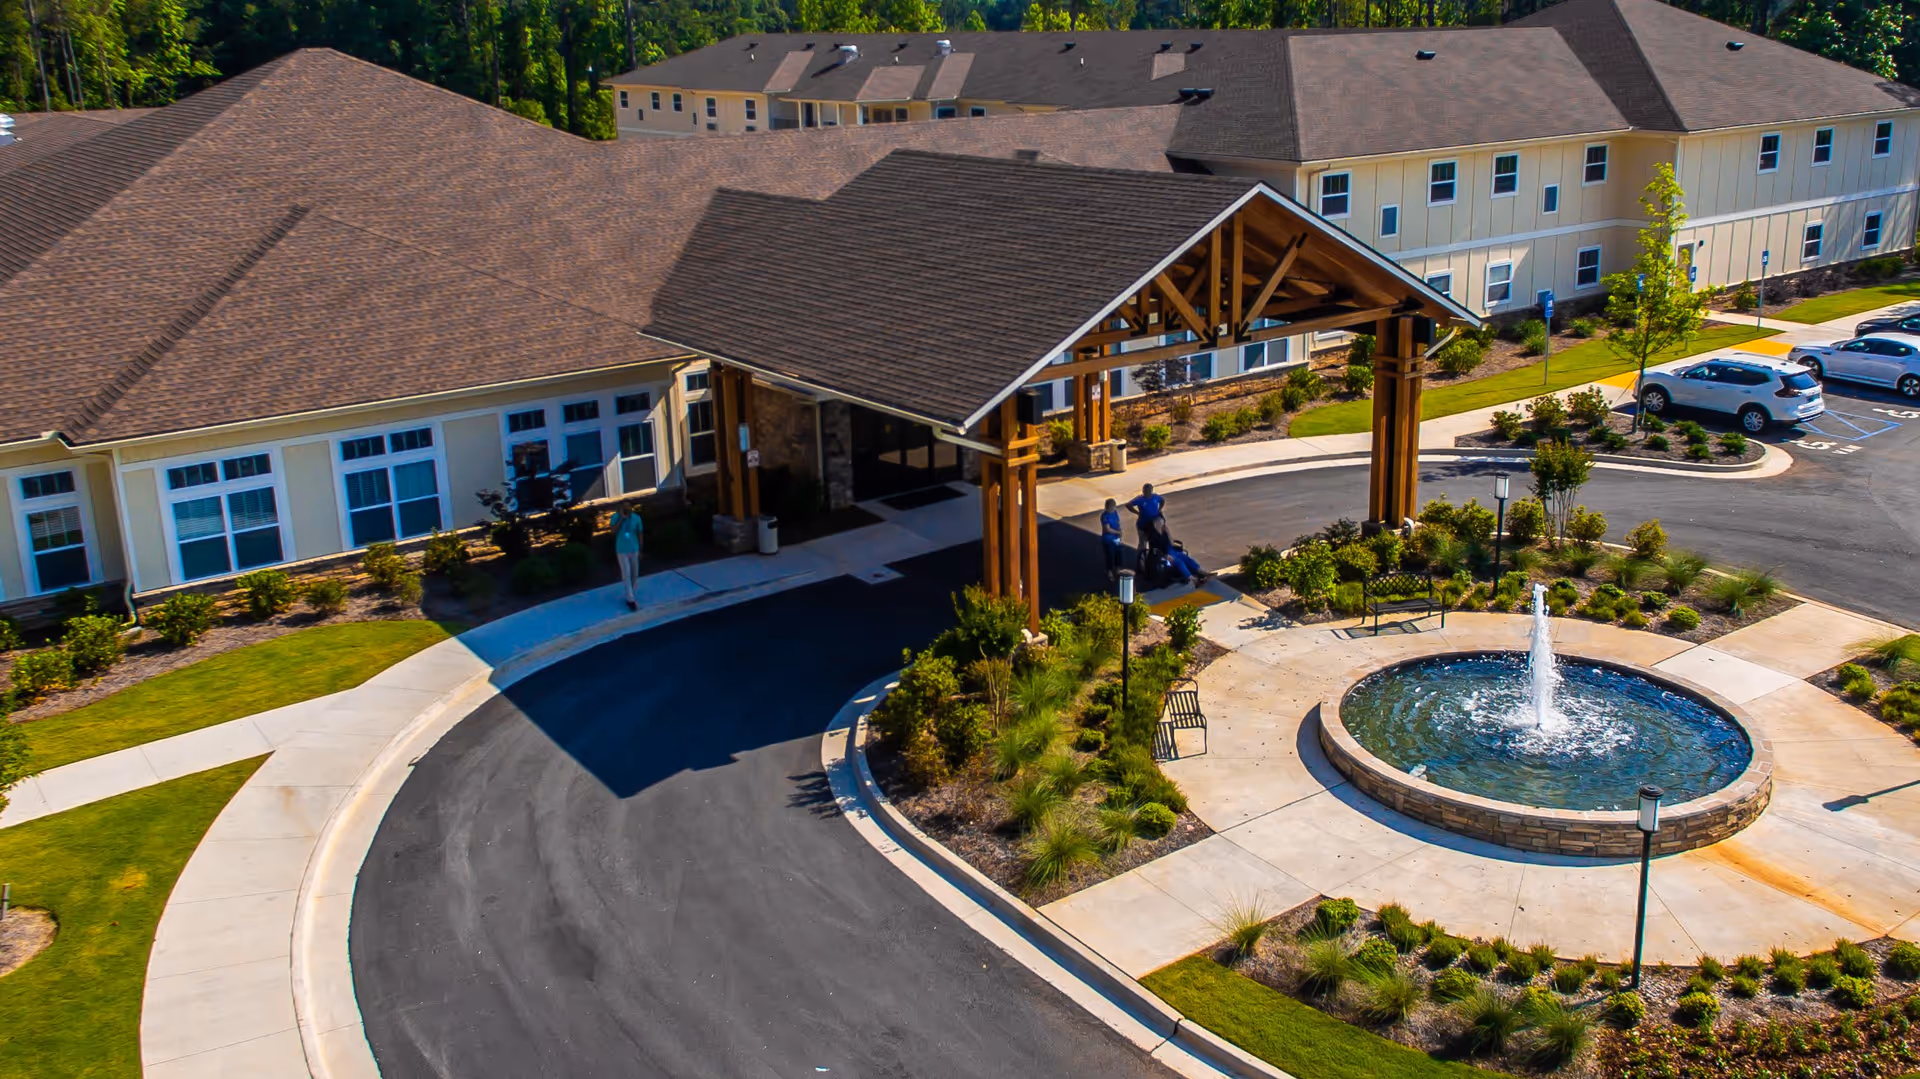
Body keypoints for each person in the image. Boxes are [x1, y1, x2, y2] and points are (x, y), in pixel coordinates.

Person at [611, 505, 645, 610]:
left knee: (634, 574)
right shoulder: (615, 517)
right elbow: (613, 530)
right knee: (626, 574)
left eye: (628, 508)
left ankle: (631, 593)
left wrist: (640, 549)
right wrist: (621, 518)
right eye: (624, 508)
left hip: (634, 549)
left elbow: (640, 533)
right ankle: (630, 599)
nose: (627, 510)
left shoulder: (636, 518)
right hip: (622, 550)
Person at [1100, 498, 1124, 581]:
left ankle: (1117, 570)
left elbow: (1118, 523)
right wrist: (1117, 532)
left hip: (1116, 538)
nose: (1112, 508)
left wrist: (1120, 531)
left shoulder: (1115, 513)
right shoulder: (1105, 516)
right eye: (1110, 507)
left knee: (1118, 554)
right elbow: (1107, 529)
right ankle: (1109, 571)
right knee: (1110, 556)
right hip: (1108, 539)